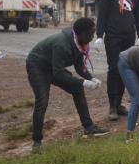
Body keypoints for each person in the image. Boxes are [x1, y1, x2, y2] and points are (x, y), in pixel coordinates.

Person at [27, 17, 109, 152]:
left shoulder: (79, 43)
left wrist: (91, 78)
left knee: (77, 89)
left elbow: (79, 66)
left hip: (53, 66)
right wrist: (83, 82)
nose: (93, 36)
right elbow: (59, 74)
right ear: (81, 33)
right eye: (91, 33)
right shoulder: (62, 44)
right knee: (42, 101)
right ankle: (37, 142)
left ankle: (89, 128)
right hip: (38, 66)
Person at [94, 0, 139, 121]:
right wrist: (99, 36)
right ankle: (112, 106)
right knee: (114, 69)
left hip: (128, 37)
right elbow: (102, 14)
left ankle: (119, 104)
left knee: (125, 70)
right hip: (112, 37)